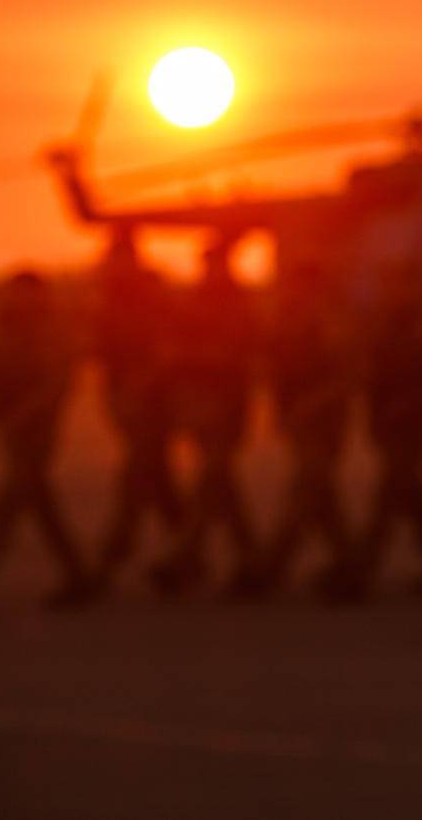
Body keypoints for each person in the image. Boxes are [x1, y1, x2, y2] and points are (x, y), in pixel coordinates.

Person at [0, 271, 92, 608]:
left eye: (28, 293)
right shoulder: (4, 327)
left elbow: (57, 383)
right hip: (9, 426)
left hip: (36, 429)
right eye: (17, 292)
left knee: (11, 502)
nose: (22, 299)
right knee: (38, 503)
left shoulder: (51, 330)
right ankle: (77, 575)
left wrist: (26, 414)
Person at [150, 235, 264, 596]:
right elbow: (173, 353)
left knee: (210, 482)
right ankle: (251, 563)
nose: (209, 270)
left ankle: (182, 558)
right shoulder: (196, 303)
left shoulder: (239, 305)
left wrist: (194, 359)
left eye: (215, 263)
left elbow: (236, 359)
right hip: (200, 406)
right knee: (221, 486)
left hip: (228, 406)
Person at [351, 260, 422, 592]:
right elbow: (369, 379)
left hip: (413, 423)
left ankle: (361, 570)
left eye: (401, 286)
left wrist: (408, 406)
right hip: (388, 422)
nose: (395, 293)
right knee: (410, 494)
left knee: (391, 493)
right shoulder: (382, 326)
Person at [92, 228, 184, 586]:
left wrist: (140, 388)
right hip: (128, 403)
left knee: (135, 479)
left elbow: (168, 350)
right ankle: (187, 554)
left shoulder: (151, 297)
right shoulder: (110, 300)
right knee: (158, 481)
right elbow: (104, 357)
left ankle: (112, 556)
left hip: (154, 403)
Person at [261, 262, 358, 594]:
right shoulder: (289, 318)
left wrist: (310, 406)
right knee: (318, 492)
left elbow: (343, 376)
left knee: (308, 489)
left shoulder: (329, 320)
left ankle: (273, 567)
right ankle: (347, 568)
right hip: (302, 419)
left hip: (323, 420)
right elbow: (278, 373)